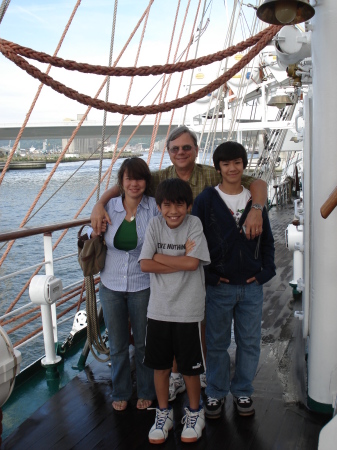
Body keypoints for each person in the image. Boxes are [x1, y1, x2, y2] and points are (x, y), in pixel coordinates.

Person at [90, 126, 268, 400]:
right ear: (168, 152)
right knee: (174, 321)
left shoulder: (213, 173)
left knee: (203, 319)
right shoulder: (160, 177)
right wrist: (100, 204)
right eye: (175, 148)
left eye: (187, 147)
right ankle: (176, 375)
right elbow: (128, 183)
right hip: (173, 261)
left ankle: (203, 371)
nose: (181, 152)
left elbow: (257, 183)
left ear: (196, 150)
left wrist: (256, 209)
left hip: (211, 260)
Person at [192, 141, 276, 419]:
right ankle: (215, 392)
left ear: (244, 165)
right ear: (218, 168)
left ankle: (243, 390)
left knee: (249, 342)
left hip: (252, 286)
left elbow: (268, 242)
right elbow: (195, 241)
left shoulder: (255, 200)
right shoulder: (206, 200)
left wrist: (265, 273)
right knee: (216, 342)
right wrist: (210, 276)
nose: (232, 168)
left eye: (237, 162)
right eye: (226, 164)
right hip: (220, 287)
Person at [139, 179, 210, 444]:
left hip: (188, 310)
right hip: (158, 309)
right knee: (160, 366)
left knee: (191, 368)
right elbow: (145, 264)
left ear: (188, 206)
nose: (173, 210)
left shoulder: (194, 224)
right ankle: (164, 413)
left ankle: (194, 411)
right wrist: (179, 262)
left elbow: (193, 264)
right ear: (158, 207)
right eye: (167, 205)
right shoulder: (155, 225)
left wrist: (159, 257)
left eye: (179, 204)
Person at [91, 158, 158, 411]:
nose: (134, 184)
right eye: (129, 178)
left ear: (146, 182)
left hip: (143, 284)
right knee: (117, 344)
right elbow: (93, 234)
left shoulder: (154, 208)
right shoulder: (108, 206)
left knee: (143, 343)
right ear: (121, 182)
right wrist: (96, 219)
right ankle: (120, 391)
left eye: (139, 178)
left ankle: (146, 391)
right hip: (111, 284)